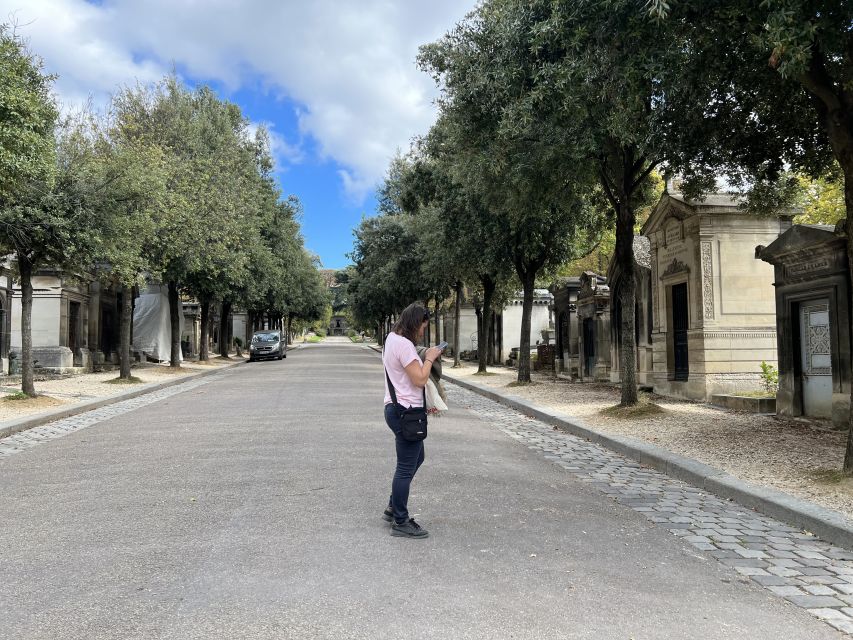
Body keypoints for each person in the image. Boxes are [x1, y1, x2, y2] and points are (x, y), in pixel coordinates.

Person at [382, 303, 443, 538]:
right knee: (405, 468)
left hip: (396, 408)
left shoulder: (391, 339)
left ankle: (393, 506)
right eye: (422, 327)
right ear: (415, 323)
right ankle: (400, 520)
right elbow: (419, 380)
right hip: (405, 412)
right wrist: (429, 358)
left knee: (418, 457)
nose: (422, 332)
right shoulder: (405, 345)